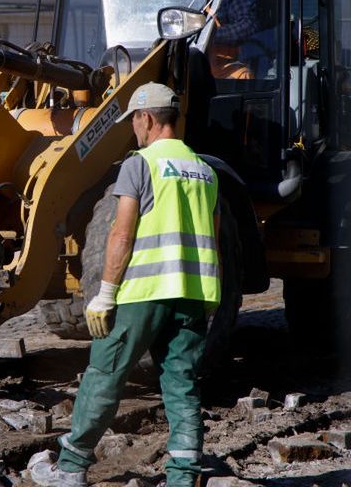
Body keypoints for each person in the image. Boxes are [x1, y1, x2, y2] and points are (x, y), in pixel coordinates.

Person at [28, 82, 221, 487]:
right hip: (192, 295)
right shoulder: (205, 171)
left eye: (133, 120)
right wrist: (210, 297)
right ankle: (183, 476)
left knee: (105, 373)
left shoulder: (140, 165)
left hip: (143, 294)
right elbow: (212, 239)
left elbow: (121, 234)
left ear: (147, 118)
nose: (133, 129)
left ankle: (70, 469)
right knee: (182, 383)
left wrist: (105, 294)